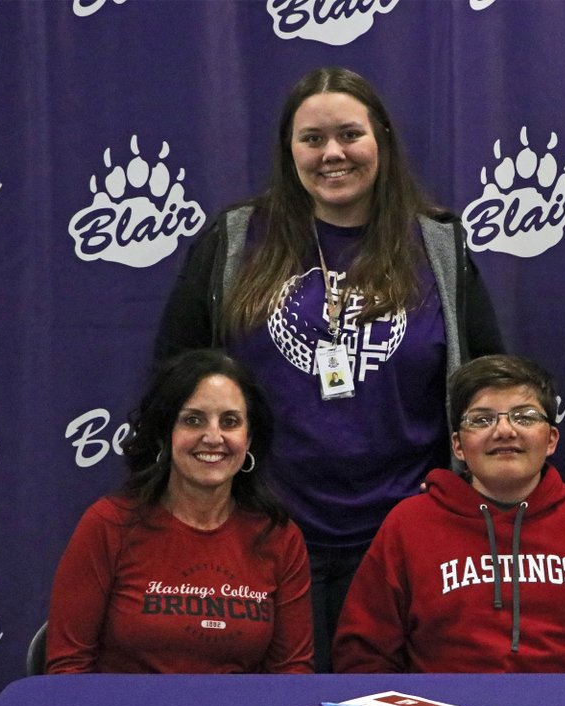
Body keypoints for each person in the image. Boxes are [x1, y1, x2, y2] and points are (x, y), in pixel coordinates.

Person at [155, 68, 503, 671]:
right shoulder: (236, 239)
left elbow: (486, 385)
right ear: (289, 151)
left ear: (382, 141)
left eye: (349, 134)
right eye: (312, 139)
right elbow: (175, 377)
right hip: (263, 531)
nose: (332, 153)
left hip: (405, 534)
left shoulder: (438, 244)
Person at [332, 355, 565, 673]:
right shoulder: (408, 525)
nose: (504, 431)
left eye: (524, 416)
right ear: (457, 446)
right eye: (482, 419)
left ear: (552, 439)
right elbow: (363, 656)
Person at [47, 350, 313, 673]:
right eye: (193, 420)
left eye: (230, 421)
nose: (213, 437)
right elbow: (67, 669)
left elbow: (292, 676)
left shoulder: (279, 537)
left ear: (250, 438)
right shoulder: (108, 525)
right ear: (164, 433)